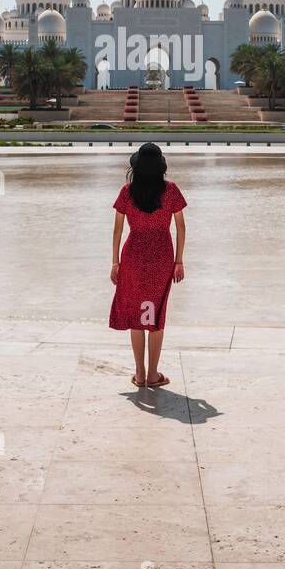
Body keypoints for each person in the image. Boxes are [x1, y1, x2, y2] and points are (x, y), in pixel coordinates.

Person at [109, 142, 186, 387]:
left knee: (136, 316)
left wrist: (115, 263)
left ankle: (140, 374)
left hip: (133, 256)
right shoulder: (171, 190)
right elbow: (181, 227)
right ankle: (153, 374)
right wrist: (179, 261)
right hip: (161, 256)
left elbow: (118, 229)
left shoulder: (127, 192)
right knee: (154, 315)